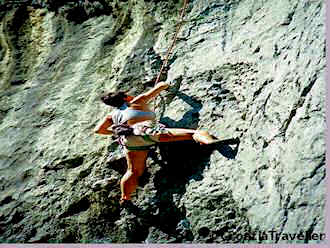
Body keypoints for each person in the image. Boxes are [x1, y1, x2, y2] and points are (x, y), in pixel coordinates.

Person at [94, 82, 219, 204]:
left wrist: (117, 132)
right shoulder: (137, 101)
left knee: (133, 171)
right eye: (128, 94)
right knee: (194, 133)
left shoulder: (112, 116)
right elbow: (161, 86)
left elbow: (98, 130)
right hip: (148, 132)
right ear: (125, 97)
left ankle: (125, 197)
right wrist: (167, 85)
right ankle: (208, 142)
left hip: (129, 140)